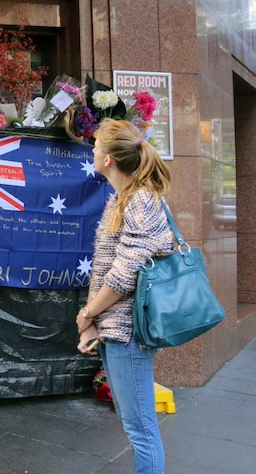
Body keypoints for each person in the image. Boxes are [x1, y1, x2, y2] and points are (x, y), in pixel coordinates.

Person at [75, 118, 174, 474]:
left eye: (97, 144)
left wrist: (87, 314)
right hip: (116, 329)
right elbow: (110, 268)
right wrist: (91, 324)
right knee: (137, 427)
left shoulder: (140, 201)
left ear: (108, 160)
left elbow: (124, 275)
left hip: (129, 332)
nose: (93, 150)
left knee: (141, 429)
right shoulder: (124, 198)